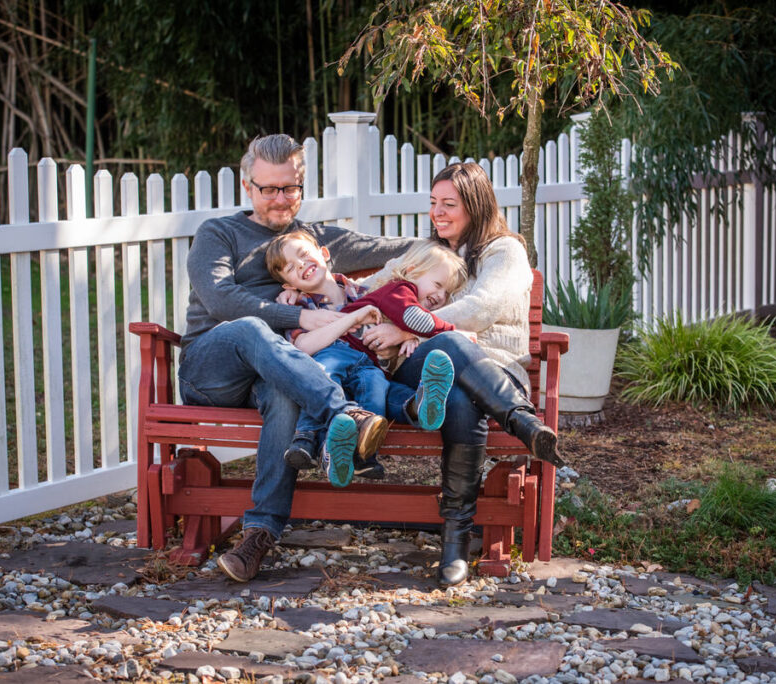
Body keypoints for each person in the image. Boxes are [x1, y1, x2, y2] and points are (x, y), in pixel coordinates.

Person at [177, 133, 414, 582]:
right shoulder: (218, 234)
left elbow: (387, 249)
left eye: (289, 188)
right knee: (249, 329)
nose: (280, 200)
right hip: (213, 368)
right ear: (248, 187)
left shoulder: (311, 240)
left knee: (286, 393)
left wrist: (458, 239)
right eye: (268, 189)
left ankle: (259, 535)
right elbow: (221, 301)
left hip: (279, 368)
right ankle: (346, 414)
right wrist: (299, 318)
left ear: (301, 188)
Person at [362, 161, 563, 587]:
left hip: (495, 371)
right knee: (452, 345)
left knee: (455, 392)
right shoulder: (426, 252)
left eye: (449, 204)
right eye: (434, 203)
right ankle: (523, 421)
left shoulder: (504, 251)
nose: (438, 212)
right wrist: (318, 291)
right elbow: (365, 289)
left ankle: (455, 541)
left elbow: (481, 308)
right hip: (425, 364)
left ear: (475, 205)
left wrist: (405, 326)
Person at [265, 233, 469, 487]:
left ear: (324, 253)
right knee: (324, 375)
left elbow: (391, 327)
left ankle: (415, 410)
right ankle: (309, 439)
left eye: (304, 255)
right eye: (290, 268)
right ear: (287, 284)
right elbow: (303, 347)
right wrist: (352, 318)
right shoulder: (298, 308)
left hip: (368, 369)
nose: (301, 265)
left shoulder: (364, 290)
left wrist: (405, 337)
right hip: (330, 379)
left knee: (378, 388)